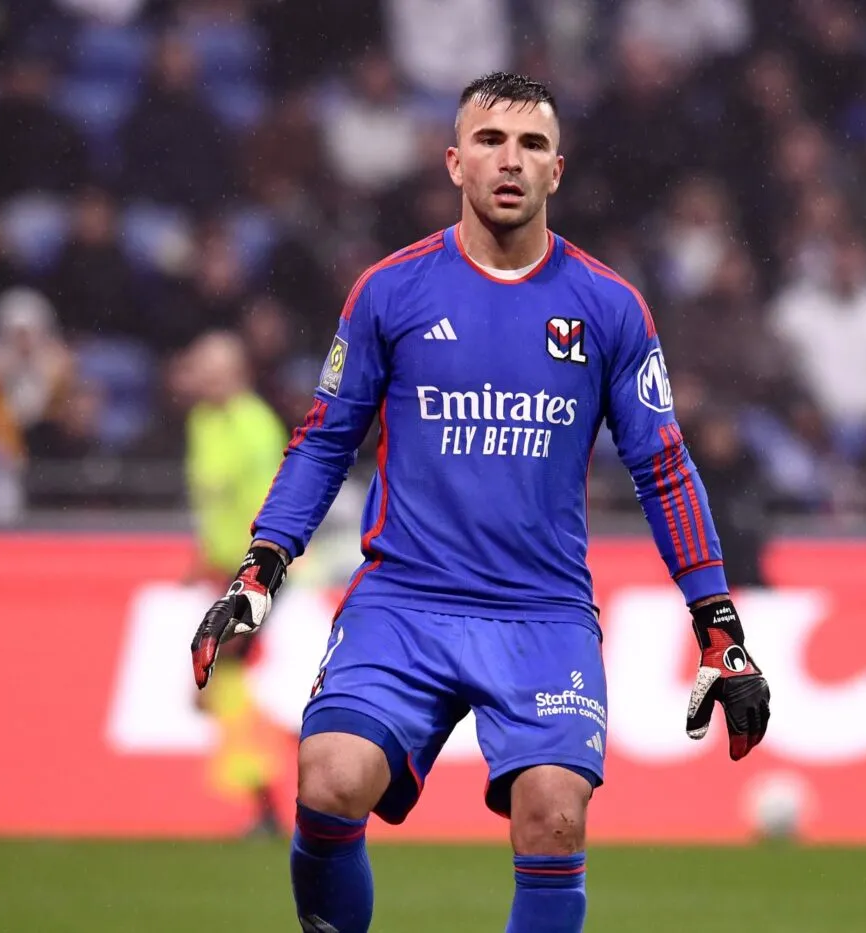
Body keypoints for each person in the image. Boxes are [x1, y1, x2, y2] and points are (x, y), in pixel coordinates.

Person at [189, 72, 772, 933]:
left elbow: (665, 467)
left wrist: (719, 628)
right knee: (329, 779)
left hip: (541, 612)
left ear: (557, 172)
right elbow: (322, 438)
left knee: (555, 813)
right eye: (492, 143)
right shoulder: (391, 291)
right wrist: (259, 569)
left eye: (532, 145)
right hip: (405, 600)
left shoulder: (609, 307)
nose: (512, 161)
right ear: (455, 162)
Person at [181, 331, 290, 837]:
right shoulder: (203, 422)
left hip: (261, 572)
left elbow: (270, 507)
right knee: (228, 683)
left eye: (215, 369)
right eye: (202, 368)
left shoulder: (254, 426)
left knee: (221, 675)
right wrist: (204, 556)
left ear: (237, 373)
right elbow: (214, 502)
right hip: (228, 570)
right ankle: (267, 791)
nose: (206, 378)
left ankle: (267, 798)